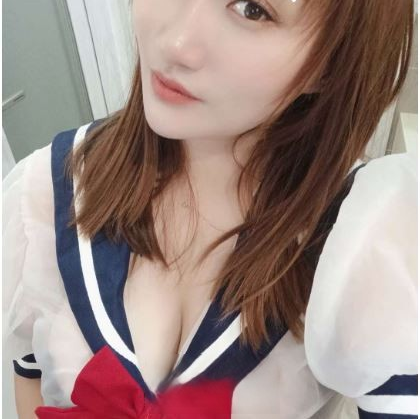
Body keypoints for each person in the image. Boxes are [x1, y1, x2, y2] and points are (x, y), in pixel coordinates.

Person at [3, 0, 417, 418]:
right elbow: (30, 374)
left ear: (331, 61)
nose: (176, 44)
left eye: (252, 10)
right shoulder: (43, 195)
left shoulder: (367, 248)